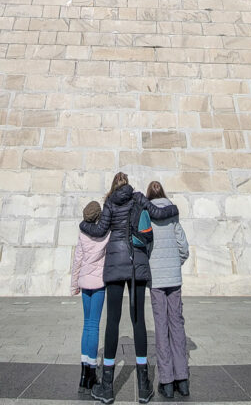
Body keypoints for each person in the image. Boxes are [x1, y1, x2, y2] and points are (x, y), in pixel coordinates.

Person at [79, 172, 179, 405]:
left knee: (112, 322)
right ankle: (144, 388)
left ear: (113, 185)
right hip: (137, 265)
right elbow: (158, 213)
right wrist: (174, 209)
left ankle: (107, 387)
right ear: (128, 183)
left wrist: (83, 223)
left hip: (115, 265)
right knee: (139, 321)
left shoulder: (110, 202)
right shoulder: (138, 197)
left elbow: (100, 230)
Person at [147, 180, 190, 399]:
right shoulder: (173, 214)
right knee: (177, 325)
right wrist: (175, 264)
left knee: (161, 328)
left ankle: (166, 382)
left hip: (155, 280)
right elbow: (183, 247)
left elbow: (144, 244)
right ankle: (182, 381)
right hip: (174, 278)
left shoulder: (146, 214)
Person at [71, 200, 110, 394]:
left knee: (86, 325)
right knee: (94, 325)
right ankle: (93, 372)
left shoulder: (82, 233)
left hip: (85, 283)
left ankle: (83, 374)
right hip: (99, 284)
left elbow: (77, 259)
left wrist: (73, 285)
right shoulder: (105, 233)